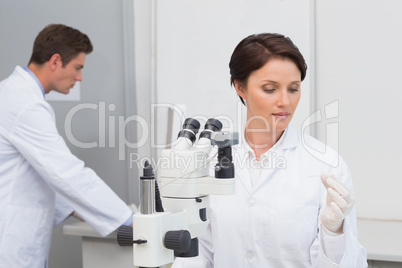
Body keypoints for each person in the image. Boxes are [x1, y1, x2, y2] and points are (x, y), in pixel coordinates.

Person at [173, 33, 368, 267]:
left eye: (293, 88)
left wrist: (334, 232)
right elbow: (198, 251)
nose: (285, 101)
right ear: (240, 87)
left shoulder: (326, 165)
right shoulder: (208, 158)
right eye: (269, 89)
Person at [0, 24, 133, 268]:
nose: (80, 77)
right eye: (78, 68)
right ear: (55, 61)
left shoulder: (14, 94)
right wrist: (128, 218)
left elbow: (36, 176)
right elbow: (66, 172)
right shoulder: (24, 104)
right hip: (10, 245)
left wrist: (81, 209)